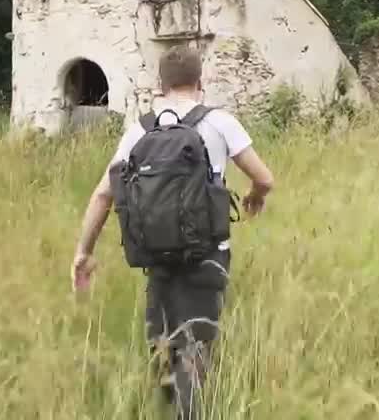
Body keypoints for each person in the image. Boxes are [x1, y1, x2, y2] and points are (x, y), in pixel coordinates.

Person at [70, 45, 276, 416]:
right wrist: (254, 196)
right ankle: (192, 411)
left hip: (156, 254)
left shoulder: (141, 129)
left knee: (163, 346)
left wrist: (83, 252)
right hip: (209, 253)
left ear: (160, 84)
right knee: (197, 344)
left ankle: (169, 408)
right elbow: (265, 178)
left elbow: (104, 194)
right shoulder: (219, 122)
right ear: (201, 81)